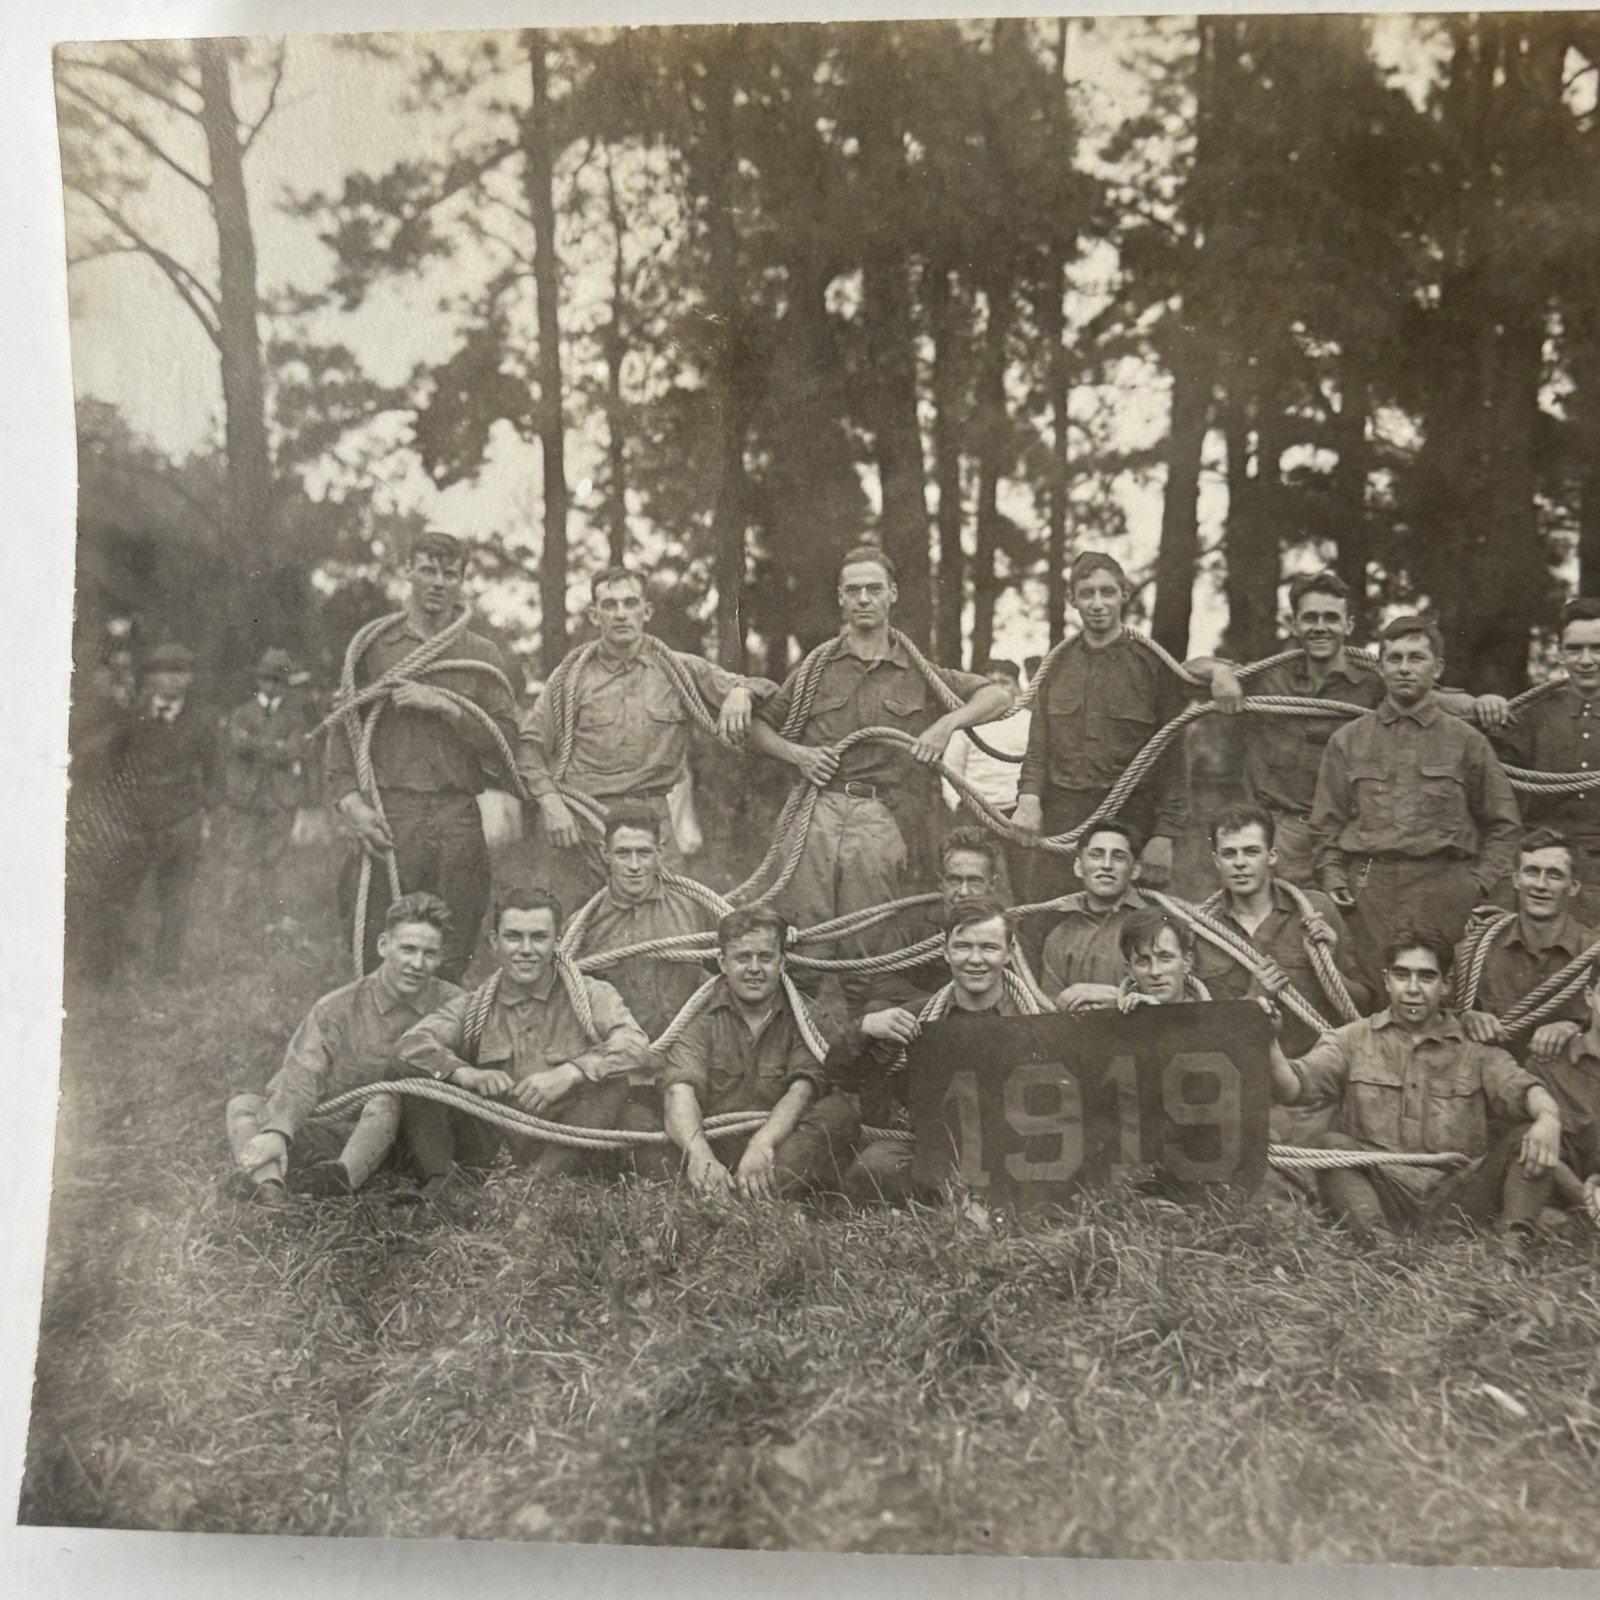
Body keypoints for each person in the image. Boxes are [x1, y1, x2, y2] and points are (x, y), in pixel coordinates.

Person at [748, 546, 1011, 971]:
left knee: (869, 937)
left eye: (874, 589)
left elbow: (997, 696)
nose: (864, 599)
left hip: (884, 813)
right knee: (803, 931)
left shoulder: (919, 670)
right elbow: (757, 728)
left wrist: (945, 725)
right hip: (818, 808)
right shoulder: (817, 667)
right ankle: (802, 1018)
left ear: (893, 594)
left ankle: (868, 1019)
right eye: (853, 590)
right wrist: (798, 754)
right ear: (841, 598)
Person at [1266, 930, 1562, 1251]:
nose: (1412, 989)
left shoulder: (1474, 1046)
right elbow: (1292, 1088)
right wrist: (1268, 1040)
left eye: (1426, 977)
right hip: (1381, 1191)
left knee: (1527, 1136)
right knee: (1332, 1146)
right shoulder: (1350, 1040)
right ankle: (1382, 1244)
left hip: (1457, 1195)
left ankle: (1511, 1248)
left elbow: (1524, 1089)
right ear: (1386, 980)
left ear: (1446, 984)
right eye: (1401, 975)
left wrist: (1549, 1119)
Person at [1012, 551, 1239, 957]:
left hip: (1133, 819)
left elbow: (1172, 754)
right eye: (1087, 594)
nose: (1097, 603)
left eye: (1107, 592)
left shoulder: (1151, 663)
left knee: (1139, 932)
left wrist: (1163, 837)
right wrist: (1028, 798)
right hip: (1065, 817)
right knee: (1045, 924)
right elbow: (1039, 746)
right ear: (1072, 600)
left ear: (1124, 596)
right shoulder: (1055, 665)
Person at [517, 564, 776, 912]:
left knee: (672, 922)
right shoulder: (570, 677)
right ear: (594, 615)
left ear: (646, 611)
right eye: (609, 605)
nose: (621, 614)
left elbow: (768, 691)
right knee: (574, 930)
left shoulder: (678, 669)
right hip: (583, 825)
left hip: (652, 821)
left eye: (630, 603)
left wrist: (741, 692)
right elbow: (529, 745)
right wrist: (550, 803)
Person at [328, 531, 519, 984]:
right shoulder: (374, 647)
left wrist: (447, 706)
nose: (438, 583)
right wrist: (351, 804)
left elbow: (505, 739)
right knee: (379, 930)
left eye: (449, 574)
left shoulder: (482, 655)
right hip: (392, 810)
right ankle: (378, 1040)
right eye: (427, 570)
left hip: (457, 814)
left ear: (461, 581)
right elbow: (343, 730)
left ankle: (438, 1040)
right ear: (407, 572)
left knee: (454, 936)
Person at [1239, 571, 1499, 885]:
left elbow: (1432, 698)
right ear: (1294, 625)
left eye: (1331, 618)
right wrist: (1219, 675)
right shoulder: (1267, 678)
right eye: (1310, 618)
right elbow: (1192, 673)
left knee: (1339, 926)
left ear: (1348, 625)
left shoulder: (1373, 684)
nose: (1320, 627)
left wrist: (1481, 702)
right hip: (1276, 833)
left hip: (1342, 837)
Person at [1311, 613, 1521, 987]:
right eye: (1394, 658)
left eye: (1416, 658)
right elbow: (1327, 823)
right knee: (1375, 994)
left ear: (1437, 668)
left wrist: (1478, 884)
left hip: (1445, 889)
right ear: (1380, 667)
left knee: (1444, 994)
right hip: (1370, 891)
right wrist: (1332, 875)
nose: (1404, 668)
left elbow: (1503, 823)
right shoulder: (1348, 740)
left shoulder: (1467, 741)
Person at [395, 886, 650, 1181]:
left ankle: (536, 1182)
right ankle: (441, 1189)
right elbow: (409, 1046)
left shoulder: (591, 994)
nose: (526, 950)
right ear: (494, 942)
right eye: (514, 937)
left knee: (613, 1086)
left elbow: (634, 1044)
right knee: (423, 1082)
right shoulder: (474, 1005)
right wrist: (466, 1074)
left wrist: (568, 1073)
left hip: (568, 1135)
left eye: (539, 937)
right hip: (495, 1136)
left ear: (557, 942)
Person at [226, 893, 462, 1203]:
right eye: (407, 949)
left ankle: (338, 1184)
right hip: (330, 1131)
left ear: (440, 958)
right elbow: (300, 1077)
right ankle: (270, 1191)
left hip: (397, 1142)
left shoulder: (454, 1003)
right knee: (242, 1106)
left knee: (384, 1099)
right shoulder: (336, 1008)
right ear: (383, 946)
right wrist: (278, 1132)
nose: (417, 964)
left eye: (429, 954)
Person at [628, 907, 859, 1198]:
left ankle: (733, 1193)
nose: (754, 969)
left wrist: (762, 1144)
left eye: (765, 957)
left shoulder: (805, 1014)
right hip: (711, 1142)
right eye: (742, 958)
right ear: (722, 962)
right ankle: (726, 1187)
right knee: (635, 1116)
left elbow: (801, 1091)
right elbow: (680, 1090)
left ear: (782, 962)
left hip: (777, 1144)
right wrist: (701, 1156)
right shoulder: (696, 1014)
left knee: (839, 1113)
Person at [834, 897, 1031, 1206]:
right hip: (937, 1146)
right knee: (873, 1167)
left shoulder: (1033, 1019)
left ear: (1009, 952)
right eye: (963, 946)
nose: (975, 959)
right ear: (945, 951)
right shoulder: (918, 1019)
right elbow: (843, 1078)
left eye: (989, 948)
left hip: (1014, 1144)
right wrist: (863, 1028)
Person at [85, 642, 221, 979]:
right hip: (135, 824)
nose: (174, 681)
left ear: (190, 678)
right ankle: (102, 971)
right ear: (152, 679)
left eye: (181, 673)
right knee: (117, 896)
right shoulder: (132, 719)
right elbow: (110, 769)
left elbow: (216, 773)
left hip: (181, 823)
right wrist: (117, 815)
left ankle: (167, 973)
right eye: (165, 673)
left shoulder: (202, 722)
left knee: (175, 902)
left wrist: (204, 813)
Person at [1192, 805, 1369, 1055]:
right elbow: (1191, 1025)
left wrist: (1329, 967)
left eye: (1251, 852)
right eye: (1229, 854)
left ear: (1272, 855)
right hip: (1235, 1070)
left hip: (1315, 1071)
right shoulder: (1198, 929)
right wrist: (1251, 1002)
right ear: (1216, 861)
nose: (1240, 863)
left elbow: (1363, 1006)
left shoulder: (1315, 910)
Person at [564, 802, 720, 1045]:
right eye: (623, 853)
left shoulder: (695, 908)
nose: (634, 866)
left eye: (644, 853)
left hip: (686, 1050)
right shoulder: (582, 925)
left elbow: (729, 968)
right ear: (605, 853)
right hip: (612, 1054)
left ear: (660, 851)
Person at [1491, 597, 1600, 917]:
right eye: (1574, 649)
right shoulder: (1531, 716)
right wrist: (1485, 706)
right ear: (1560, 652)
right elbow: (1496, 785)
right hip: (1542, 865)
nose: (1586, 660)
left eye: (1597, 648)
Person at [1456, 830, 1598, 1063]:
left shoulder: (1594, 952)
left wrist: (1576, 1028)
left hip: (1566, 1084)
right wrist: (1466, 1017)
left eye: (1554, 875)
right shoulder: (1479, 945)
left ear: (1573, 887)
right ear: (1516, 880)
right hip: (1489, 1076)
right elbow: (1438, 1010)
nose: (1540, 885)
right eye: (1532, 872)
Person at [221, 647, 318, 920]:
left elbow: (297, 749)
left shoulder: (296, 717)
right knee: (239, 855)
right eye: (267, 679)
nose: (273, 685)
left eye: (279, 680)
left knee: (275, 858)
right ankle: (233, 915)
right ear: (258, 681)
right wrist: (276, 747)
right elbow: (240, 744)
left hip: (280, 796)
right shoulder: (242, 713)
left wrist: (262, 748)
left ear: (286, 685)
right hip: (245, 795)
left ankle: (270, 916)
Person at [865, 826, 1009, 1008]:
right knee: (877, 1008)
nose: (964, 892)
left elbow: (1019, 988)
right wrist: (942, 1005)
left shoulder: (1004, 928)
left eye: (974, 881)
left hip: (981, 1017)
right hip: (926, 1017)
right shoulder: (912, 923)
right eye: (955, 880)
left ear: (992, 885)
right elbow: (881, 981)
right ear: (941, 882)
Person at [1039, 819, 1149, 1013]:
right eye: (1096, 855)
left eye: (1119, 857)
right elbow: (1048, 1010)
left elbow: (1174, 1000)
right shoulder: (1059, 936)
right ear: (1078, 867)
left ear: (1136, 870)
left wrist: (1118, 999)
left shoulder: (1156, 927)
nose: (1106, 865)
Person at [942, 657, 1031, 897]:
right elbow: (951, 766)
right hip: (975, 810)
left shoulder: (1029, 722)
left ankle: (1019, 930)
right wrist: (958, 803)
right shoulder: (969, 722)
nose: (1000, 688)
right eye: (991, 683)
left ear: (1017, 687)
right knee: (971, 876)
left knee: (1023, 881)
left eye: (1006, 682)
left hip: (1016, 812)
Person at [1531, 966, 1600, 1219]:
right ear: (1589, 995)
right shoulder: (1549, 1063)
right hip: (1567, 1195)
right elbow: (1525, 1141)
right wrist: (1586, 1200)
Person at [1114, 905, 1208, 1010]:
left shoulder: (1215, 1012)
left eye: (1165, 958)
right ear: (1130, 970)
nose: (1155, 971)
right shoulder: (1106, 1016)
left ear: (1187, 962)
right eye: (1143, 961)